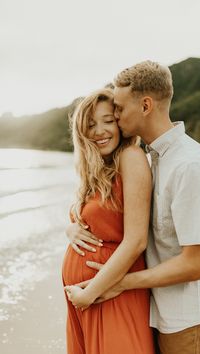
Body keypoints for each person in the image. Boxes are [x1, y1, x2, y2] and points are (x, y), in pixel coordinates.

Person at [66, 61, 200, 354]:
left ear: (146, 105)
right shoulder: (155, 158)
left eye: (120, 109)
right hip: (156, 310)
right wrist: (73, 225)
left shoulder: (189, 165)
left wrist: (119, 284)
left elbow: (196, 264)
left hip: (184, 318)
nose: (116, 115)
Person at [62, 88, 155, 354]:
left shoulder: (131, 157)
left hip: (111, 294)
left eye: (107, 121)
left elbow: (136, 241)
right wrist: (71, 228)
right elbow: (94, 217)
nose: (99, 130)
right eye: (91, 124)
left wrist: (90, 293)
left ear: (120, 123)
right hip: (87, 297)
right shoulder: (98, 168)